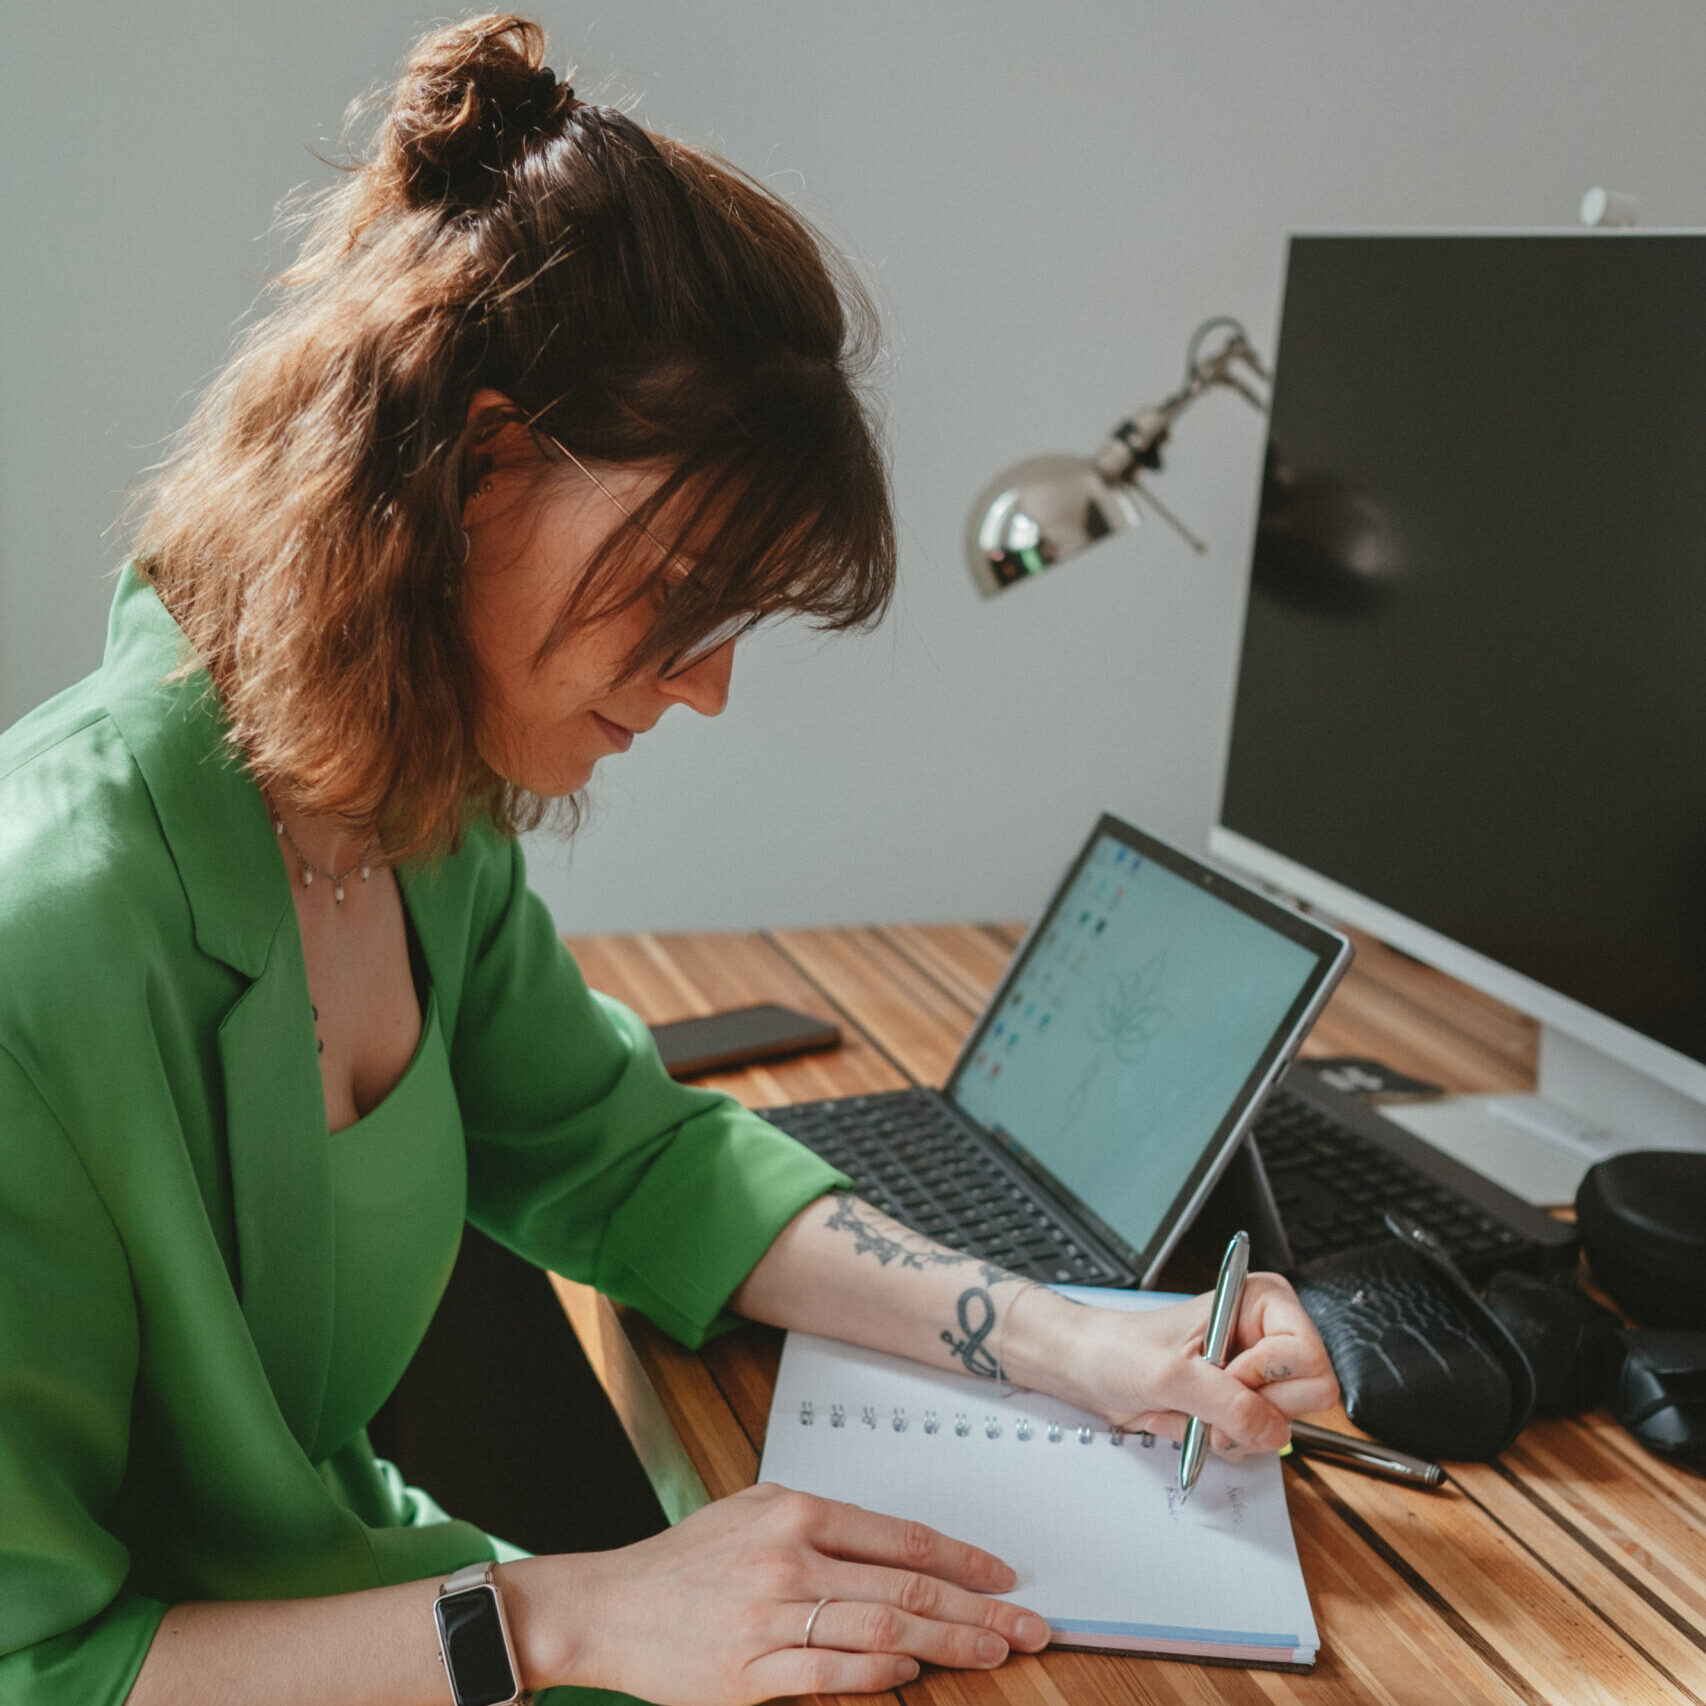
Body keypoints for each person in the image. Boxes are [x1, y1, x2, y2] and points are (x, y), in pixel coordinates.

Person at [0, 14, 1338, 1705]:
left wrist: (1079, 1338)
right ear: (479, 468)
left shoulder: (406, 818)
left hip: (394, 1614)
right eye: (685, 596)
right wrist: (566, 1615)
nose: (707, 685)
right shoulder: (36, 944)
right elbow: (32, 1661)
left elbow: (629, 1158)